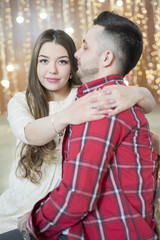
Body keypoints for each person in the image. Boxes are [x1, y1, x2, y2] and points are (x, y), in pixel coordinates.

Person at [0, 20, 157, 239]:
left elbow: (142, 137)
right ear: (34, 64)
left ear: (72, 67)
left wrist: (139, 93)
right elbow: (29, 133)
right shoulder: (22, 101)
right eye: (43, 60)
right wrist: (67, 115)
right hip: (24, 202)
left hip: (55, 207)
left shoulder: (86, 96)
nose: (52, 70)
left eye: (62, 61)